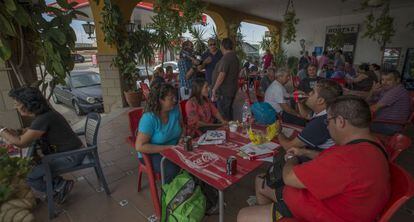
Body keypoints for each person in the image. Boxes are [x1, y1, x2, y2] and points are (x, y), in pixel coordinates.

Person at [237, 95, 390, 222]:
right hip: (334, 204)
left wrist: (291, 158)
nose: (328, 126)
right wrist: (305, 152)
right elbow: (331, 162)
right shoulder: (372, 144)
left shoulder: (346, 159)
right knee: (260, 180)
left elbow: (289, 177)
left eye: (328, 121)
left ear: (341, 122)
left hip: (319, 213)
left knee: (243, 215)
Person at [0, 87, 82, 203]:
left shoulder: (43, 119)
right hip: (71, 152)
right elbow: (30, 131)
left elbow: (20, 143)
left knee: (29, 175)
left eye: (16, 103)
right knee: (36, 162)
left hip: (71, 156)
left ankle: (55, 190)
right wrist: (17, 132)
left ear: (27, 104)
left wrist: (1, 130)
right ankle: (60, 184)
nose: (15, 107)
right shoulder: (45, 115)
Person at [135, 83, 182, 183]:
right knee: (172, 169)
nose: (175, 100)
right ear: (160, 100)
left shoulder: (174, 110)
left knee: (193, 162)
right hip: (152, 153)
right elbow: (140, 146)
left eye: (175, 97)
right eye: (171, 98)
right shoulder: (149, 118)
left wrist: (182, 138)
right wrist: (168, 148)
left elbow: (182, 127)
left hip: (174, 148)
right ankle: (170, 195)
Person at [278, 79, 343, 151]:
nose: (309, 93)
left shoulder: (319, 123)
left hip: (318, 157)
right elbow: (306, 116)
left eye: (313, 92)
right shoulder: (328, 111)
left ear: (320, 101)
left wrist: (278, 132)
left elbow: (288, 146)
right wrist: (299, 102)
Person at [368, 70, 412, 135]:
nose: (384, 83)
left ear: (397, 80)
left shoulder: (396, 91)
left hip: (390, 126)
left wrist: (354, 112)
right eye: (382, 80)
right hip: (382, 122)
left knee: (355, 125)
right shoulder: (386, 90)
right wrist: (372, 92)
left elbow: (373, 108)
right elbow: (369, 101)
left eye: (388, 80)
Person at [211, 38, 240, 120]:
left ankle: (225, 131)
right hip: (231, 90)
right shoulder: (235, 57)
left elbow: (222, 74)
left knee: (223, 116)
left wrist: (214, 89)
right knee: (228, 113)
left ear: (222, 46)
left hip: (224, 92)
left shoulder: (226, 58)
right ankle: (230, 130)